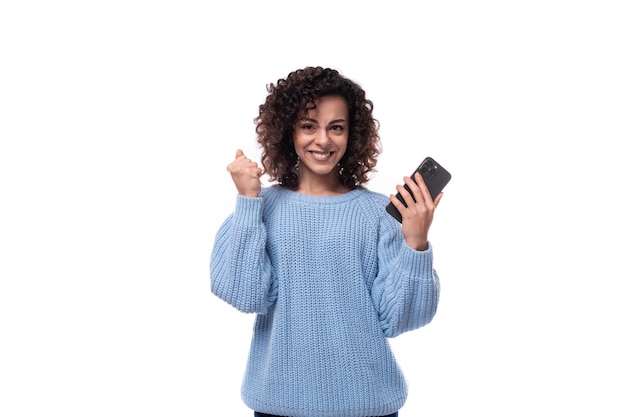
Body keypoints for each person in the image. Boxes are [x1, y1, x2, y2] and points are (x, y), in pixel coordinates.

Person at [210, 66, 443, 417]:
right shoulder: (262, 207)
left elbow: (398, 319)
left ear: (352, 134)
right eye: (308, 126)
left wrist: (416, 242)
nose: (323, 140)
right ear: (288, 131)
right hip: (278, 403)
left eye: (336, 127)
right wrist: (247, 202)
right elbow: (244, 293)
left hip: (368, 405)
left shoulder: (379, 213)